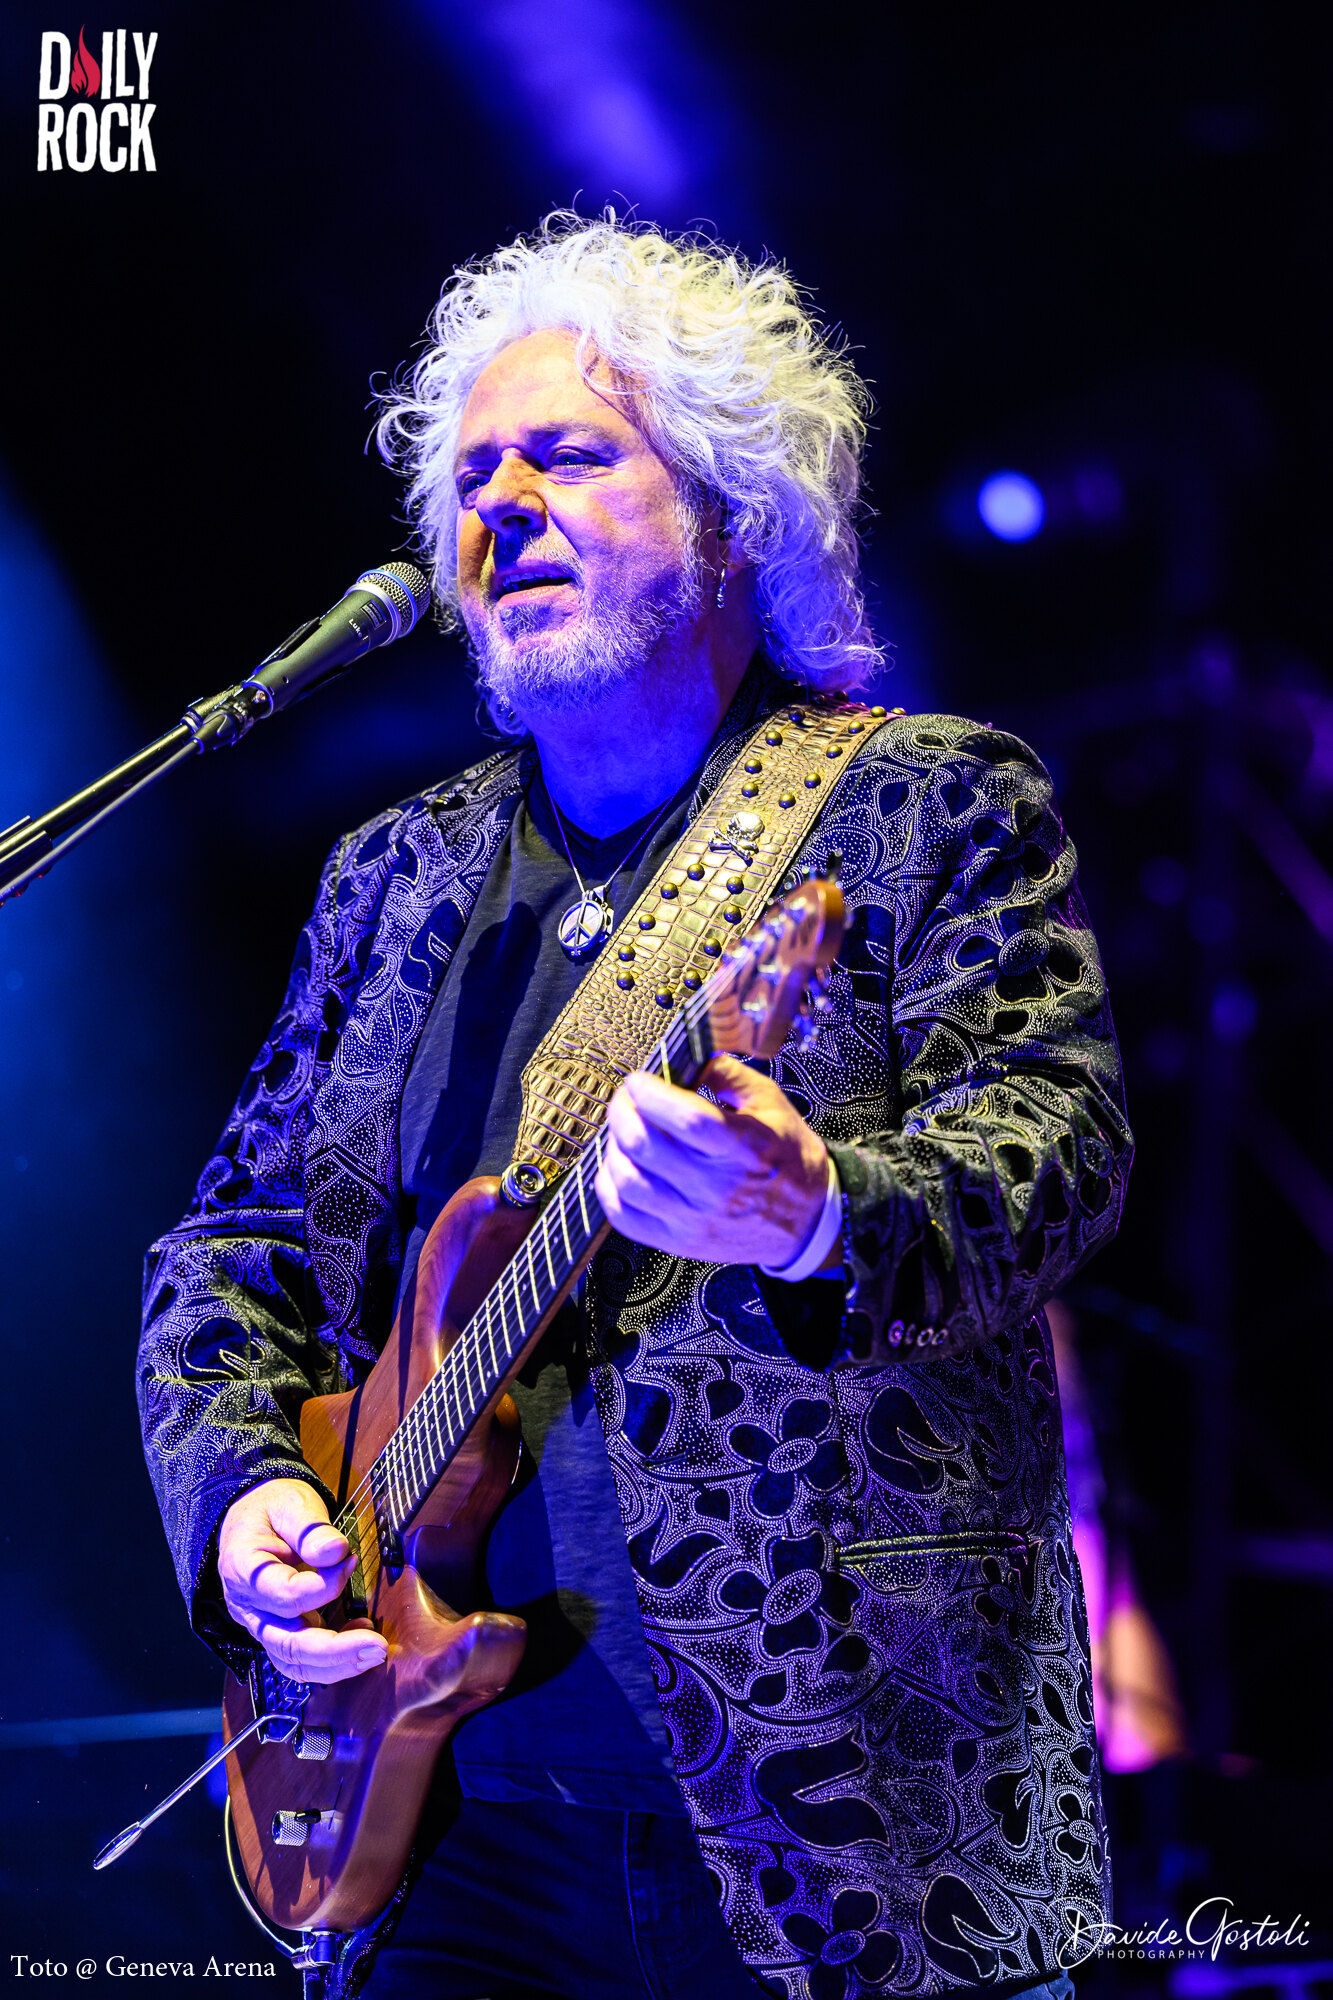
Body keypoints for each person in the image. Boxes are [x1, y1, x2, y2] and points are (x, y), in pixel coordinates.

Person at [138, 215, 1133, 2000]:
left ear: (737, 512)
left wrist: (816, 1211)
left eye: (568, 455)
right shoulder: (393, 877)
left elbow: (1056, 1151)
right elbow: (236, 1246)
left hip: (850, 1802)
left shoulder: (926, 804)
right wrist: (239, 1496)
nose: (499, 506)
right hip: (446, 1826)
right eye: (471, 477)